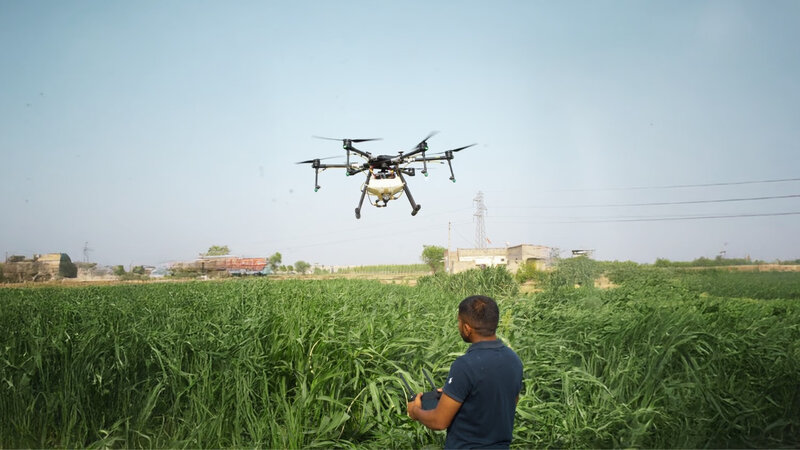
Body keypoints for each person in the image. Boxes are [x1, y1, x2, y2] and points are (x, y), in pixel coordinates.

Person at [407, 295, 523, 449]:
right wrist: (456, 394)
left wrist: (415, 410)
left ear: (467, 329)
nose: (458, 325)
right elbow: (509, 402)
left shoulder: (464, 365)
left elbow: (439, 421)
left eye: (459, 321)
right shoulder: (513, 359)